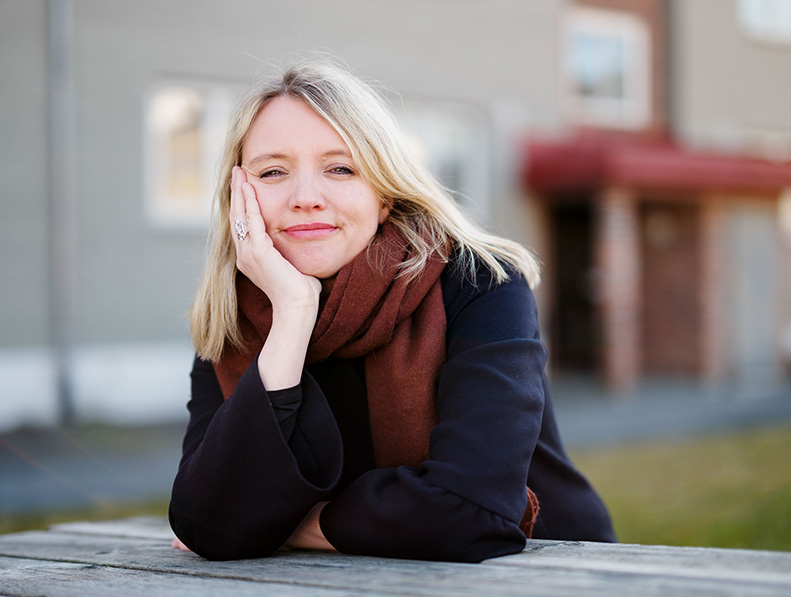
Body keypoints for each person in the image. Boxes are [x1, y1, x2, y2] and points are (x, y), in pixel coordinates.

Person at [168, 59, 614, 563]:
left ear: (383, 195)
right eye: (273, 172)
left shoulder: (480, 282)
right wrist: (292, 313)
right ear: (238, 196)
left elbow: (473, 510)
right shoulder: (234, 319)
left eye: (340, 168)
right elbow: (204, 521)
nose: (305, 198)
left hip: (553, 571)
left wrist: (290, 524)